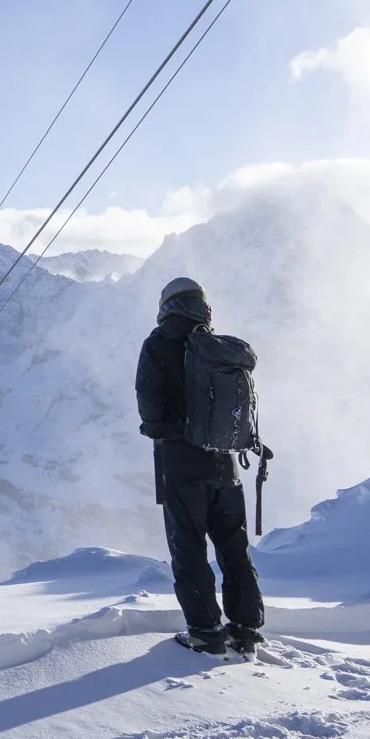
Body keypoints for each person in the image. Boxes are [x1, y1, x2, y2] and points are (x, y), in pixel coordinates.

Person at [135, 276, 265, 657]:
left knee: (189, 548)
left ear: (166, 306)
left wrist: (161, 428)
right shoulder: (216, 347)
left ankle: (206, 632)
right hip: (226, 463)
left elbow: (149, 407)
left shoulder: (158, 345)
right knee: (234, 546)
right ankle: (246, 629)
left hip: (181, 464)